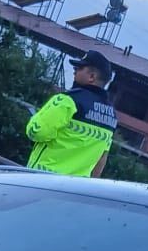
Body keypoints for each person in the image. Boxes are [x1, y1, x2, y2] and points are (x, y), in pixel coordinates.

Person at [25, 49, 119, 177]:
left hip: (42, 180)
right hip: (73, 189)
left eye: (80, 68)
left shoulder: (68, 100)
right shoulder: (111, 116)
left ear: (92, 76)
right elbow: (100, 161)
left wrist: (38, 117)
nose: (74, 71)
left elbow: (35, 132)